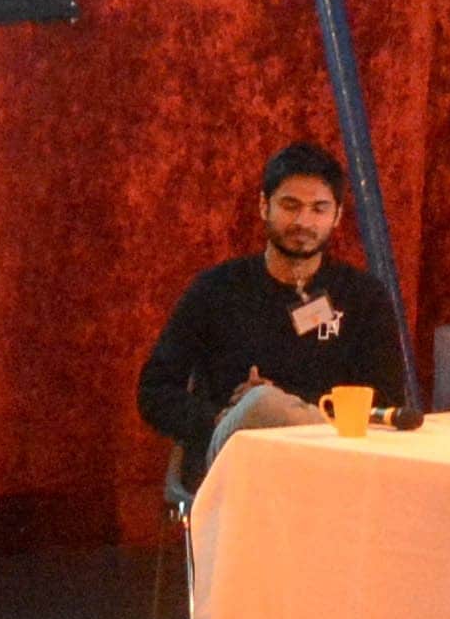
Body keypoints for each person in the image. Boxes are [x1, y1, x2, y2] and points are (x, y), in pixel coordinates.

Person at [137, 138, 412, 496]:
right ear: (264, 206)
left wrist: (283, 403)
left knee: (266, 404)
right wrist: (222, 417)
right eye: (290, 205)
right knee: (258, 408)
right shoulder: (216, 289)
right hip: (236, 468)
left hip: (330, 462)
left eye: (319, 209)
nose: (303, 222)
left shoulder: (363, 296)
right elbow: (155, 391)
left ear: (337, 216)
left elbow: (386, 401)